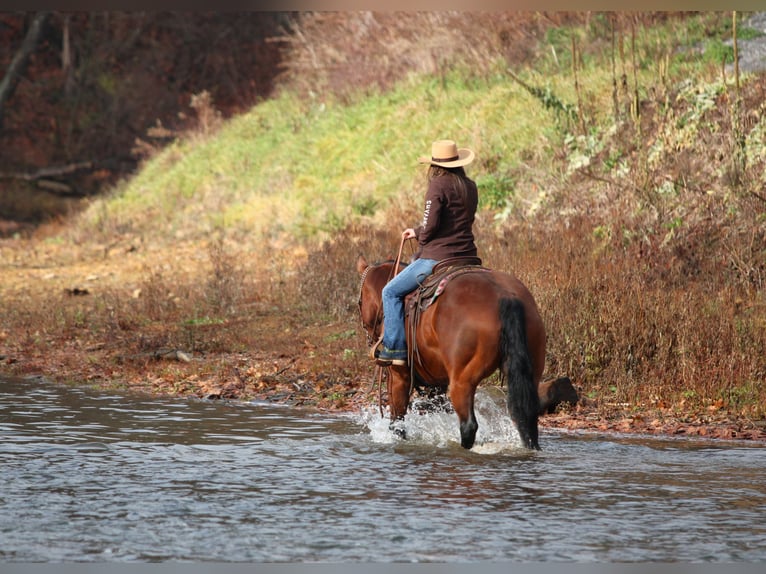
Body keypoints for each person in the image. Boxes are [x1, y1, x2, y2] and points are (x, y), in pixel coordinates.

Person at [374, 139, 479, 366]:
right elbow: (459, 222)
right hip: (469, 257)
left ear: (435, 165)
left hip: (437, 258)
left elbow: (431, 226)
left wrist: (419, 233)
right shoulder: (470, 186)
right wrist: (419, 230)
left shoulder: (437, 185)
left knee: (390, 291)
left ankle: (395, 350)